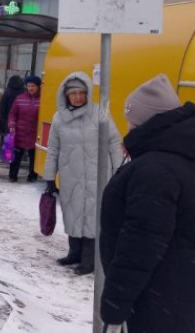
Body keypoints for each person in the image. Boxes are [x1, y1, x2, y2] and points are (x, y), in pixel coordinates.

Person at [99, 74, 195, 333]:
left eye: (132, 122)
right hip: (183, 295)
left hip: (160, 301)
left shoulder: (157, 171)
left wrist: (115, 305)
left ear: (148, 122)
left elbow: (139, 246)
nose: (128, 128)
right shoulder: (183, 155)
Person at [42, 72, 123, 275]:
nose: (78, 97)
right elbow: (53, 149)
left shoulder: (99, 113)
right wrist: (50, 176)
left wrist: (119, 169)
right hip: (71, 176)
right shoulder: (59, 118)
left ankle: (89, 261)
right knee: (73, 214)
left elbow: (114, 142)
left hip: (98, 177)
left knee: (92, 218)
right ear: (66, 95)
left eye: (82, 93)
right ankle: (74, 253)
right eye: (74, 93)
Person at [7, 75, 42, 182]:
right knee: (16, 156)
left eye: (33, 86)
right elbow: (12, 114)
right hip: (20, 132)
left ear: (38, 87)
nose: (30, 88)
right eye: (28, 86)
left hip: (36, 133)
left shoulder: (43, 99)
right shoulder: (20, 98)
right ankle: (13, 176)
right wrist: (12, 124)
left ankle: (32, 177)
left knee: (34, 157)